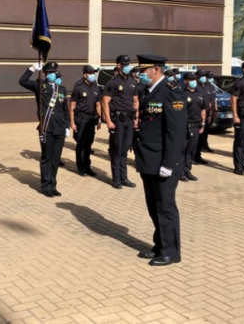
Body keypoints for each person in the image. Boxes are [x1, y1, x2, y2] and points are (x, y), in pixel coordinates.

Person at [134, 54, 186, 266]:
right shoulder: (148, 92)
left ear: (155, 69)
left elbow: (175, 133)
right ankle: (160, 245)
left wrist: (169, 164)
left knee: (165, 207)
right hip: (148, 159)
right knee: (153, 206)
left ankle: (171, 252)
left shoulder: (171, 94)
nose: (139, 74)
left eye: (143, 70)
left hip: (163, 161)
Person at [19, 61, 70, 197]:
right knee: (46, 157)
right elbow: (22, 81)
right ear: (44, 73)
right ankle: (45, 186)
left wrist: (67, 126)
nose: (52, 74)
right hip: (46, 128)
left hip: (60, 128)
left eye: (54, 72)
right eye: (49, 72)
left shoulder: (62, 89)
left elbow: (65, 110)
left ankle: (53, 185)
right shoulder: (39, 86)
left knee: (55, 159)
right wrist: (32, 68)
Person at [102, 55, 139, 189]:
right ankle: (116, 179)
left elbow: (136, 101)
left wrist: (136, 117)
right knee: (116, 150)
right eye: (124, 64)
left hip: (129, 119)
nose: (127, 66)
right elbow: (105, 102)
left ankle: (124, 177)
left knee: (125, 149)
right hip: (117, 119)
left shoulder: (132, 81)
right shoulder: (112, 82)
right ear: (118, 65)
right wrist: (108, 121)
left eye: (128, 63)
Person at [70, 65, 102, 177]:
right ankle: (80, 167)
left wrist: (99, 120)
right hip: (81, 119)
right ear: (85, 75)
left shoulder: (95, 86)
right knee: (81, 144)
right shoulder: (78, 86)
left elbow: (98, 104)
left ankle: (88, 167)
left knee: (89, 144)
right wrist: (72, 122)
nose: (93, 75)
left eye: (94, 73)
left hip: (91, 120)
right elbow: (72, 105)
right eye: (91, 73)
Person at [179, 73, 206, 182]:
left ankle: (187, 170)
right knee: (182, 149)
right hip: (185, 126)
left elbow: (203, 109)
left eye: (194, 79)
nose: (193, 81)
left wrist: (202, 123)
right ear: (185, 81)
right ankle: (180, 172)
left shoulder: (200, 94)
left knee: (191, 150)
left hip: (196, 125)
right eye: (191, 79)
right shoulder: (181, 94)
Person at [194, 69, 213, 165]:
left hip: (206, 114)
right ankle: (192, 156)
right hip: (197, 114)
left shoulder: (207, 86)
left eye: (205, 75)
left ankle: (198, 155)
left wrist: (209, 115)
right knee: (195, 139)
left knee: (203, 137)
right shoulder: (195, 87)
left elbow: (209, 102)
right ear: (197, 77)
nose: (204, 77)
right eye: (202, 76)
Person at [202, 71, 217, 153]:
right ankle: (202, 145)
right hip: (206, 111)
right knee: (203, 129)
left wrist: (216, 110)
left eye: (212, 77)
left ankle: (205, 144)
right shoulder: (204, 87)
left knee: (207, 129)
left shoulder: (212, 87)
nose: (211, 79)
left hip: (212, 111)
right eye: (209, 77)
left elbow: (214, 100)